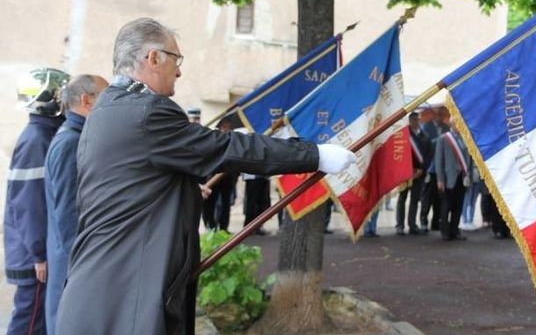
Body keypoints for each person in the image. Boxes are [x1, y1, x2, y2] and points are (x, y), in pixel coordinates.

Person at [55, 18, 355, 335]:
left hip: (107, 285)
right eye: (176, 59)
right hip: (127, 296)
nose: (180, 71)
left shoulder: (111, 106)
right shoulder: (147, 111)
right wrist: (315, 155)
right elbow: (225, 147)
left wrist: (180, 194)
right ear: (153, 57)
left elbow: (130, 187)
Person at [4, 67, 70, 335]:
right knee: (29, 324)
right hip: (34, 258)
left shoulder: (44, 135)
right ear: (54, 99)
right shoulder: (37, 140)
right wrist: (39, 255)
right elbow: (28, 204)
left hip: (34, 252)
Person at [44, 74, 108, 335]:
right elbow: (69, 214)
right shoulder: (71, 142)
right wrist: (82, 271)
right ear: (86, 101)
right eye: (105, 97)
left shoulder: (75, 136)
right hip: (72, 264)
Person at [395, 112, 430, 235]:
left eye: (417, 120)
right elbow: (399, 155)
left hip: (419, 173)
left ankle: (412, 225)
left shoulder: (425, 136)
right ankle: (399, 225)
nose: (415, 122)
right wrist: (407, 170)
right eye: (413, 120)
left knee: (415, 200)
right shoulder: (403, 136)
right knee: (402, 199)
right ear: (409, 121)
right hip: (405, 174)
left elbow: (428, 156)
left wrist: (422, 169)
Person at [434, 122, 470, 241]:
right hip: (448, 178)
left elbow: (467, 157)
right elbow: (438, 161)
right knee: (446, 206)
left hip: (462, 177)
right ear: (452, 124)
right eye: (457, 124)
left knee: (458, 206)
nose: (460, 126)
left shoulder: (464, 138)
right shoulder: (443, 138)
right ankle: (445, 231)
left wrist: (468, 174)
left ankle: (455, 230)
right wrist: (440, 179)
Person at [419, 107, 448, 232]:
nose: (441, 116)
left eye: (443, 114)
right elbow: (427, 144)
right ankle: (423, 221)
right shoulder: (427, 126)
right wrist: (440, 139)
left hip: (442, 169)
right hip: (431, 168)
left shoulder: (446, 128)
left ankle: (436, 222)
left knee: (439, 198)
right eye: (439, 113)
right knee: (427, 198)